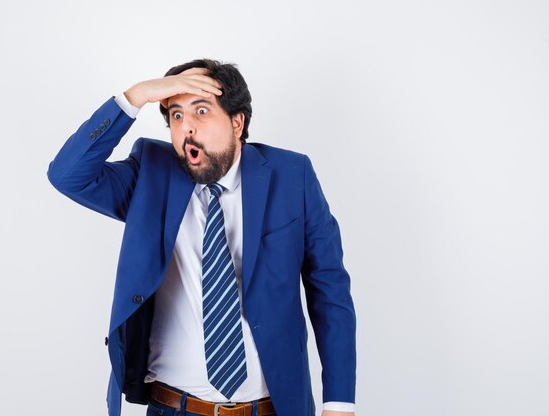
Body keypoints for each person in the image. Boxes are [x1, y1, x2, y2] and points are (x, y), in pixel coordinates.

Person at [47, 59, 356, 416]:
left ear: (237, 123)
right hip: (173, 408)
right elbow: (67, 176)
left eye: (201, 111)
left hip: (272, 408)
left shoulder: (292, 176)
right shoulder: (151, 172)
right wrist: (135, 97)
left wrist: (339, 402)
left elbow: (329, 291)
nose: (187, 128)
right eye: (176, 115)